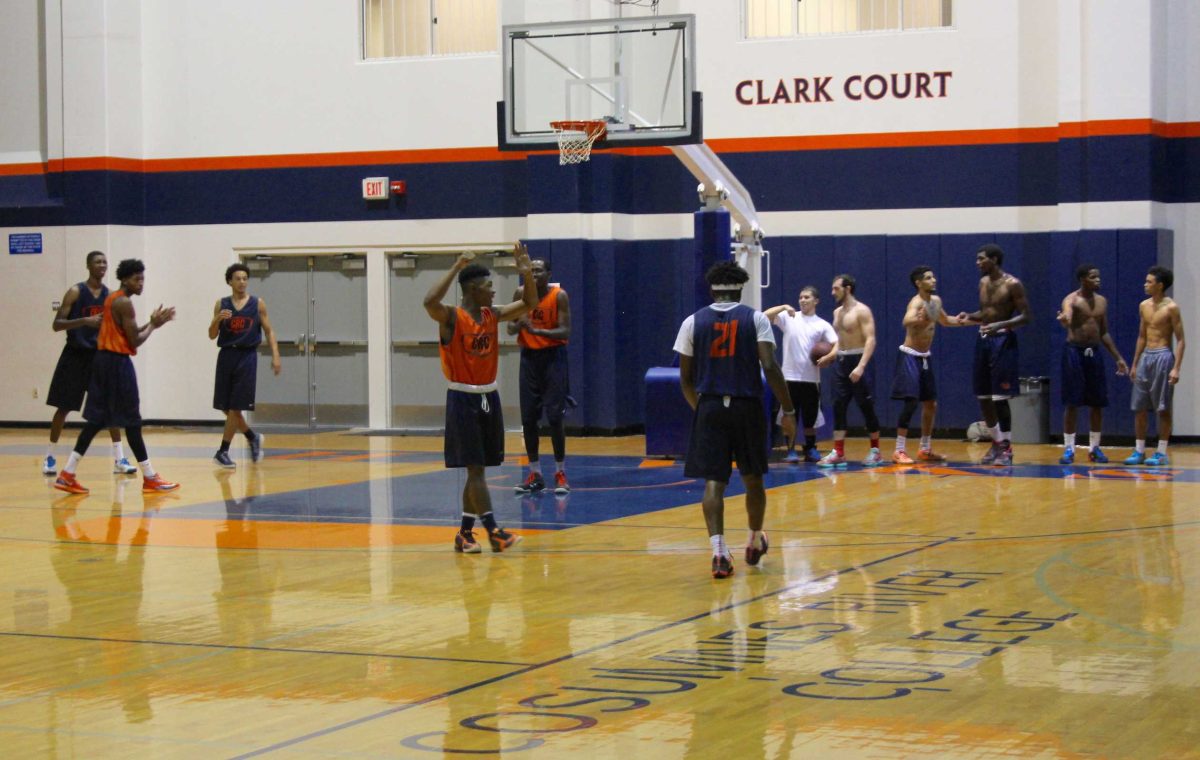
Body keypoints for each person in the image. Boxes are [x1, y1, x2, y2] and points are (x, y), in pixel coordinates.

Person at [674, 261, 796, 579]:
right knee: (753, 478)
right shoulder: (755, 319)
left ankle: (718, 553)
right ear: (740, 289)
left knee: (714, 482)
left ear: (712, 289)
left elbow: (685, 378)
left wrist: (699, 409)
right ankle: (755, 540)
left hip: (710, 406)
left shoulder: (692, 322)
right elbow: (769, 366)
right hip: (747, 407)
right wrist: (789, 410)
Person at [424, 244, 536, 554]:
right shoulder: (452, 318)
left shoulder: (492, 315)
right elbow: (429, 301)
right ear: (473, 290)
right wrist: (456, 266)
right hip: (463, 399)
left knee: (478, 471)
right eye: (488, 286)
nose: (493, 290)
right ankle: (493, 531)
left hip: (489, 397)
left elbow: (530, 302)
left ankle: (464, 534)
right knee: (474, 470)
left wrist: (525, 271)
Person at [53, 259, 179, 495]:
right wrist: (153, 326)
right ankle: (150, 477)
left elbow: (126, 334)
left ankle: (68, 473)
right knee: (132, 420)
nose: (140, 283)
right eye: (136, 279)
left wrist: (150, 323)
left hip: (104, 362)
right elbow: (135, 341)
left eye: (142, 278)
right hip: (116, 364)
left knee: (98, 420)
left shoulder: (113, 299)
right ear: (124, 279)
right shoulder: (122, 302)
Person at [43, 251, 136, 476]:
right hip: (74, 356)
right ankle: (50, 456)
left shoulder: (110, 296)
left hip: (99, 357)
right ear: (88, 266)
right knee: (63, 407)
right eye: (98, 262)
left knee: (110, 408)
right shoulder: (76, 291)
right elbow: (57, 324)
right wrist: (84, 321)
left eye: (105, 262)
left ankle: (119, 459)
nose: (102, 265)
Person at [955, 244, 1032, 466]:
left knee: (1000, 398)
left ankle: (1007, 447)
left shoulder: (1013, 284)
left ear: (994, 259)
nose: (977, 263)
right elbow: (986, 313)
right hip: (984, 339)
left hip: (1003, 340)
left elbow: (1026, 316)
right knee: (983, 397)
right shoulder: (983, 282)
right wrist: (970, 315)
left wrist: (1000, 324)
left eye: (981, 259)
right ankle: (996, 443)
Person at [507, 259, 573, 495]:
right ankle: (535, 474)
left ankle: (560, 472)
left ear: (548, 274)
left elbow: (565, 331)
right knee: (528, 419)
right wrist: (519, 326)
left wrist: (536, 330)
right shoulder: (520, 294)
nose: (534, 274)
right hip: (529, 359)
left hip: (553, 358)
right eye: (531, 270)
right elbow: (510, 329)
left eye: (538, 270)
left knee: (554, 417)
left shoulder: (558, 296)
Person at [890, 266, 968, 464]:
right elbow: (906, 320)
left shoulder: (936, 301)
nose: (933, 280)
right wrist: (919, 318)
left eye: (933, 277)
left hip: (925, 356)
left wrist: (964, 321)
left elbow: (945, 320)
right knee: (910, 403)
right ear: (918, 283)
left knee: (931, 403)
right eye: (928, 278)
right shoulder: (916, 302)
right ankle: (899, 450)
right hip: (910, 356)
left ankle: (925, 448)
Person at [208, 263, 281, 468]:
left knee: (235, 406)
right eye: (238, 278)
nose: (242, 282)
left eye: (244, 278)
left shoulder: (257, 304)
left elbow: (269, 331)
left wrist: (276, 355)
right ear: (229, 281)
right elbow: (212, 335)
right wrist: (216, 320)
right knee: (226, 407)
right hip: (226, 356)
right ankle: (252, 437)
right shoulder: (221, 304)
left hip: (247, 356)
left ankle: (222, 451)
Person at [1056, 264, 1129, 464]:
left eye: (1098, 276)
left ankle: (1095, 448)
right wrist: (1064, 319)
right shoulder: (1072, 300)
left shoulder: (1102, 302)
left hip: (1094, 353)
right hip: (1074, 352)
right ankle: (1069, 448)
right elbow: (1067, 315)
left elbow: (1103, 332)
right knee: (1072, 402)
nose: (1098, 280)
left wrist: (1118, 357)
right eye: (1093, 277)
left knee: (1097, 402)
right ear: (1082, 279)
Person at [764, 286, 837, 463]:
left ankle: (810, 448)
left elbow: (836, 345)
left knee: (810, 417)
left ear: (816, 301)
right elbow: (763, 316)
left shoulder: (822, 324)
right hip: (788, 378)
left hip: (811, 379)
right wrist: (783, 307)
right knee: (790, 415)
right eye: (800, 297)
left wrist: (828, 356)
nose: (802, 300)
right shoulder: (789, 317)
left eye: (806, 297)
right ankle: (790, 450)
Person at [819, 274, 882, 467]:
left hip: (859, 358)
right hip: (842, 360)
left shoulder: (862, 311)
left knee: (866, 405)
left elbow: (871, 339)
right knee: (838, 405)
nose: (832, 292)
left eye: (836, 288)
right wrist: (830, 356)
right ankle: (838, 452)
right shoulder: (837, 312)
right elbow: (840, 341)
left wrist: (861, 366)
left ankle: (875, 450)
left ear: (848, 289)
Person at [1125, 266, 1185, 466]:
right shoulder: (1143, 305)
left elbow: (1181, 340)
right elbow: (1142, 336)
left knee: (1163, 408)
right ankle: (1139, 450)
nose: (1145, 284)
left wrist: (1176, 367)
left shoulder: (1171, 308)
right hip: (1146, 357)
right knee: (1139, 407)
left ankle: (1161, 452)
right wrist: (1134, 363)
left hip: (1163, 356)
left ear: (1160, 285)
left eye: (1149, 281)